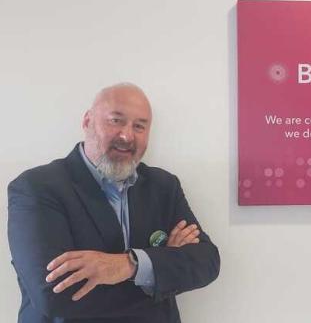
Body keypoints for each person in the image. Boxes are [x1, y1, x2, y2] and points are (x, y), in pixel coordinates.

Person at [7, 83, 220, 323]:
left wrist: (130, 265)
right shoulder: (36, 187)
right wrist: (161, 270)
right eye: (115, 121)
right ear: (87, 121)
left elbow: (207, 262)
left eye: (139, 126)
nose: (127, 135)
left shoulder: (164, 186)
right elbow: (55, 295)